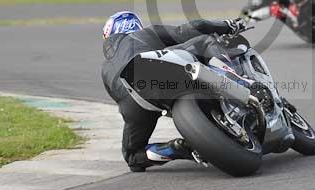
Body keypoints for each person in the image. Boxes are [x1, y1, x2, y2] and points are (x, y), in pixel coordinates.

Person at [100, 11, 248, 172]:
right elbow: (193, 28)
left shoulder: (105, 68)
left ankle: (175, 148)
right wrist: (227, 25)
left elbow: (118, 98)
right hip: (152, 70)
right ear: (134, 25)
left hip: (134, 103)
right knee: (205, 41)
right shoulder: (143, 34)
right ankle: (236, 80)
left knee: (133, 156)